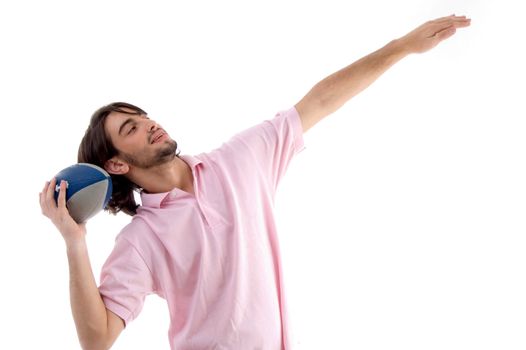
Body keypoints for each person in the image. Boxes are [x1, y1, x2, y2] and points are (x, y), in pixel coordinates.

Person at [39, 15, 471, 350]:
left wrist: (402, 47)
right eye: (131, 129)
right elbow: (97, 339)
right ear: (115, 165)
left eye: (144, 116)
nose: (150, 125)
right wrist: (74, 242)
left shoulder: (240, 160)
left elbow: (319, 100)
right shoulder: (140, 242)